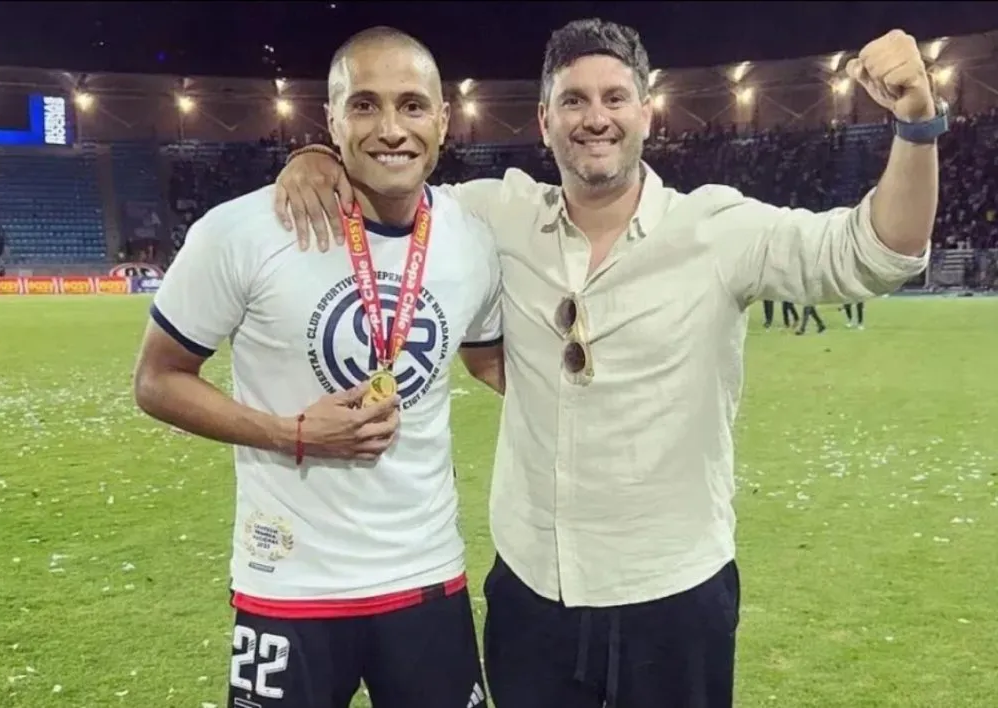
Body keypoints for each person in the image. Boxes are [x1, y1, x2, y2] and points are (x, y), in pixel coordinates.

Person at [272, 20, 938, 708]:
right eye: (574, 100)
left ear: (647, 112)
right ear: (544, 119)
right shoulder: (493, 216)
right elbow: (392, 183)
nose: (596, 118)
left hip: (674, 595)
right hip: (532, 595)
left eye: (616, 98)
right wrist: (318, 156)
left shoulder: (717, 230)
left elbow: (877, 251)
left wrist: (916, 125)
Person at [134, 26, 501, 708]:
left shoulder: (472, 242)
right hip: (289, 587)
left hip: (426, 579)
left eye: (412, 105)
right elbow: (156, 380)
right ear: (329, 119)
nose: (391, 128)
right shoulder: (243, 231)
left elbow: (492, 359)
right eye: (363, 105)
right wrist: (291, 434)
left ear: (444, 121)